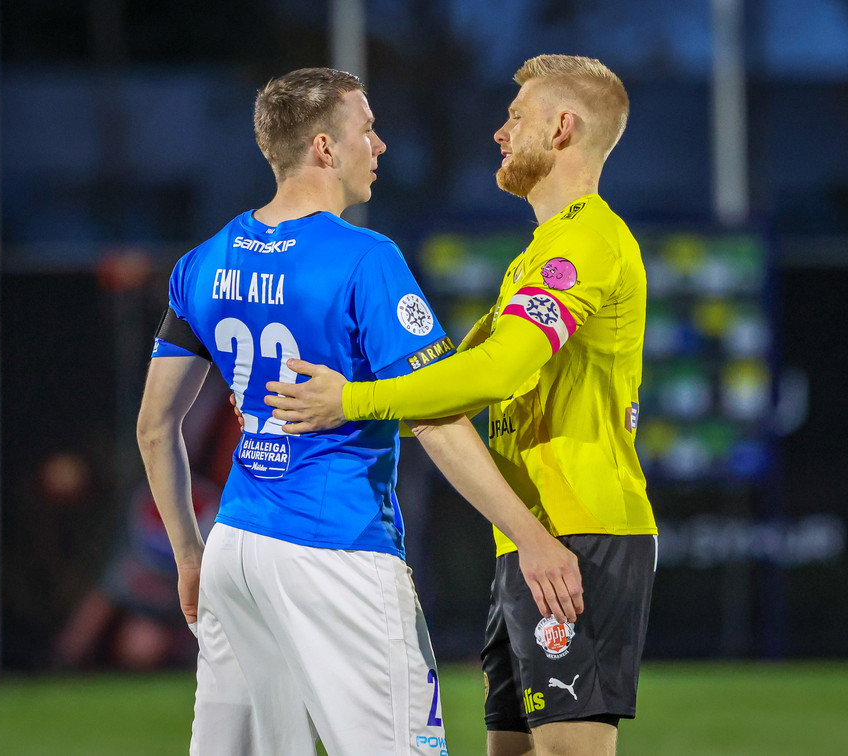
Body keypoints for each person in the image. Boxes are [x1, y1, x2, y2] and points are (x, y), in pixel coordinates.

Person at [136, 67, 582, 756]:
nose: (379, 145)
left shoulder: (202, 261)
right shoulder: (364, 259)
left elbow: (154, 426)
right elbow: (433, 415)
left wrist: (189, 554)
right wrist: (530, 535)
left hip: (235, 549)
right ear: (324, 147)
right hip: (337, 549)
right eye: (367, 129)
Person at [262, 55, 658, 756]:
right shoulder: (540, 252)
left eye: (516, 117)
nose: (500, 133)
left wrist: (351, 400)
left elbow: (494, 372)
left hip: (581, 531)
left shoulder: (586, 242)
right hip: (533, 535)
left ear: (562, 128)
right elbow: (445, 383)